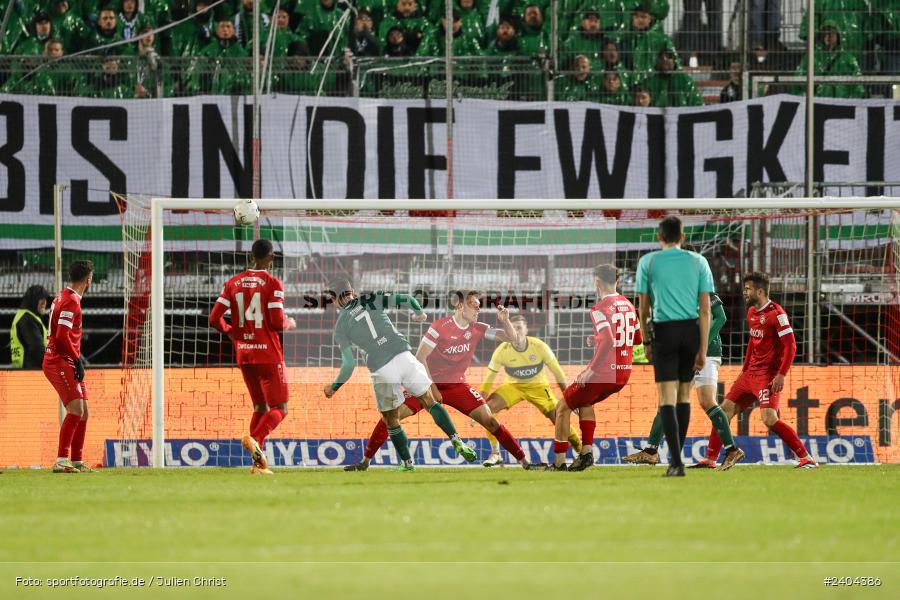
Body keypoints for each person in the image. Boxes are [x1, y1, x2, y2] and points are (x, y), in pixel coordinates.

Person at [345, 290, 544, 471]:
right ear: (460, 306)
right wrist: (432, 387)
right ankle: (364, 462)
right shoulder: (439, 327)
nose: (478, 309)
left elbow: (515, 340)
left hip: (457, 385)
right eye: (474, 305)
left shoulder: (478, 328)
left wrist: (505, 320)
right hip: (427, 384)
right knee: (391, 417)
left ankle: (525, 463)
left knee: (490, 421)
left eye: (479, 306)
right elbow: (420, 357)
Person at [325, 280, 477, 472]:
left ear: (333, 299)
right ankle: (456, 440)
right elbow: (408, 299)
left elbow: (349, 365)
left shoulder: (340, 326)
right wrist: (420, 313)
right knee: (430, 402)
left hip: (382, 369)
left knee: (391, 419)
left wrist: (334, 387)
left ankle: (407, 464)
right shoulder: (372, 298)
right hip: (404, 356)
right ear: (353, 292)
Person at [635, 216, 741, 476]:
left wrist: (702, 347)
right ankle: (653, 450)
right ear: (682, 237)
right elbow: (703, 312)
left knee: (681, 399)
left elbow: (715, 314)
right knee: (685, 400)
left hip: (692, 344)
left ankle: (677, 457)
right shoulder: (696, 266)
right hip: (691, 343)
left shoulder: (652, 263)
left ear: (660, 236)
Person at [701, 272, 817, 468]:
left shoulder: (777, 314)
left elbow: (791, 346)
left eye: (748, 289)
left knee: (769, 419)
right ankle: (710, 460)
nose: (744, 293)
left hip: (767, 376)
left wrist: (781, 374)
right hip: (749, 375)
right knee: (724, 412)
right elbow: (753, 344)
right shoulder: (752, 312)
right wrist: (744, 369)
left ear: (760, 291)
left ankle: (806, 458)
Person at [623, 293, 744, 469]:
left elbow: (721, 317)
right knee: (683, 400)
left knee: (697, 400)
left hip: (707, 353)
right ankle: (650, 452)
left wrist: (701, 347)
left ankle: (651, 451)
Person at [208, 240, 297, 475]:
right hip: (268, 354)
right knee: (281, 407)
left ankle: (258, 465)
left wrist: (231, 333)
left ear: (251, 256)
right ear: (271, 258)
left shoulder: (233, 283)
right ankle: (254, 438)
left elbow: (214, 318)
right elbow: (277, 322)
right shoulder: (273, 283)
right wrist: (289, 322)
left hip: (244, 354)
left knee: (260, 406)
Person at [550, 264, 640, 471]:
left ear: (597, 282)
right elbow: (636, 338)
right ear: (617, 281)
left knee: (562, 406)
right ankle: (586, 453)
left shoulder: (599, 308)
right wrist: (598, 338)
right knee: (584, 401)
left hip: (603, 373)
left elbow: (609, 339)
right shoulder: (628, 304)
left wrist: (591, 370)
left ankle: (559, 463)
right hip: (623, 373)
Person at [479, 314, 581, 467]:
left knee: (559, 418)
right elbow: (488, 382)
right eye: (512, 329)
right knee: (486, 410)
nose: (516, 332)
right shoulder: (501, 351)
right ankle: (495, 453)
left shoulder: (539, 346)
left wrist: (570, 398)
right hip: (513, 387)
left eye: (519, 328)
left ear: (526, 330)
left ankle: (581, 450)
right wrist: (478, 404)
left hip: (539, 387)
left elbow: (558, 373)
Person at [43, 260, 94, 473]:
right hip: (59, 360)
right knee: (75, 410)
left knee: (84, 412)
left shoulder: (64, 296)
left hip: (66, 359)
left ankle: (77, 460)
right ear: (88, 279)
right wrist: (77, 359)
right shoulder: (71, 301)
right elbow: (62, 336)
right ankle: (61, 460)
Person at [10, 285, 53, 369]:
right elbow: (37, 349)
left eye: (45, 299)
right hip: (30, 371)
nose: (44, 302)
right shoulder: (28, 319)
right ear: (33, 300)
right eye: (41, 299)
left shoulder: (26, 316)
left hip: (25, 369)